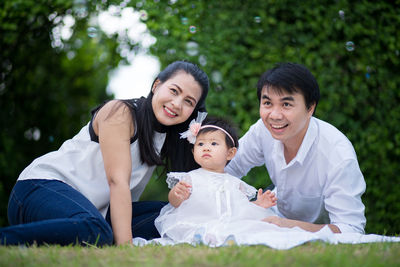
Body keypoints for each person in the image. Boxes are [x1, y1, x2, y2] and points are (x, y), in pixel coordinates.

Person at [0, 60, 209, 246]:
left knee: (172, 215)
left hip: (94, 210)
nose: (177, 104)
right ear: (156, 85)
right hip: (40, 188)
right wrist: (125, 248)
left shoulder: (170, 136)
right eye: (174, 91)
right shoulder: (120, 112)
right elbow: (117, 182)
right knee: (96, 231)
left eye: (189, 101)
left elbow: (209, 172)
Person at [225, 62, 366, 234]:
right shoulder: (262, 130)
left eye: (286, 105)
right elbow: (229, 167)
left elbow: (351, 228)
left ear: (310, 108)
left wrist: (288, 226)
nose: (275, 115)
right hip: (274, 215)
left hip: (318, 233)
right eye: (268, 103)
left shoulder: (337, 155)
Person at [154, 114, 280, 246]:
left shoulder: (235, 183)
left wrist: (258, 205)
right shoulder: (191, 177)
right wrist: (176, 194)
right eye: (200, 143)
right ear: (193, 151)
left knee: (245, 227)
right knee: (196, 230)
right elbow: (174, 203)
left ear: (230, 153)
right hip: (197, 220)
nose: (206, 147)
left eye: (214, 143)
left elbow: (240, 208)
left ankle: (225, 238)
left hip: (228, 223)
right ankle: (201, 236)